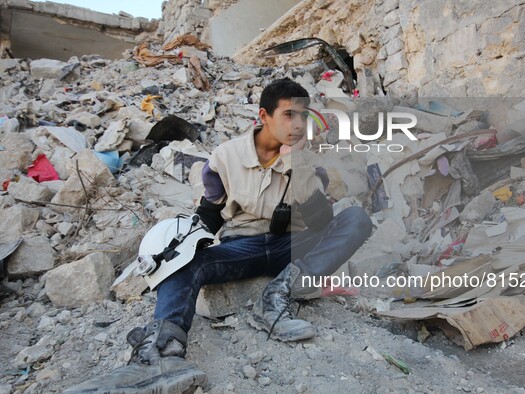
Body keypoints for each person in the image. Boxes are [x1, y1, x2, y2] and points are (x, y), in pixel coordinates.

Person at [65, 78, 372, 393]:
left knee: (356, 219)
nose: (297, 125)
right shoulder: (226, 158)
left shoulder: (306, 162)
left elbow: (321, 222)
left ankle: (275, 298)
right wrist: (180, 246)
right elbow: (210, 214)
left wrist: (301, 169)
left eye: (303, 116)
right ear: (264, 116)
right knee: (184, 261)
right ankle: (162, 353)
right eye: (289, 114)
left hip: (288, 248)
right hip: (242, 249)